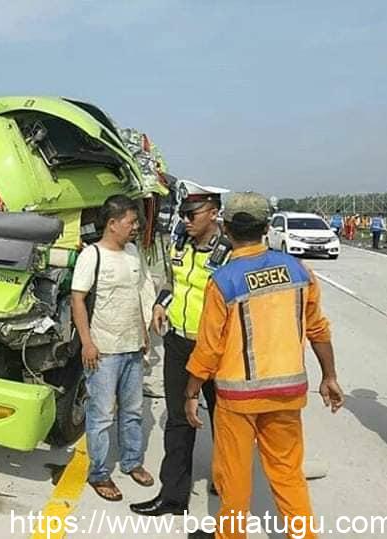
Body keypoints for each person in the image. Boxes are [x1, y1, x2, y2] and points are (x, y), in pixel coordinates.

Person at [182, 192, 344, 539]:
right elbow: (317, 328)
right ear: (267, 228)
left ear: (225, 229)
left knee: (234, 476)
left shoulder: (224, 280)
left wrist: (192, 391)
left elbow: (209, 347)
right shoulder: (299, 270)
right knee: (288, 474)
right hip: (287, 395)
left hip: (238, 400)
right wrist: (329, 376)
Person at [130, 180, 230, 517]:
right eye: (183, 213)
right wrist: (161, 304)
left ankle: (228, 483)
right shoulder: (181, 242)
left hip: (217, 349)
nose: (186, 219)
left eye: (193, 213)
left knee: (224, 419)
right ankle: (173, 496)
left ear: (214, 212)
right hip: (178, 343)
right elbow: (172, 282)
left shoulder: (229, 250)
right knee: (177, 420)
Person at [71, 194, 155, 501]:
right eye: (131, 221)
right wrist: (87, 343)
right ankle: (99, 473)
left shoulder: (134, 252)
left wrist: (144, 331)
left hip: (133, 347)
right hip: (103, 351)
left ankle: (132, 462)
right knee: (102, 415)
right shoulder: (92, 255)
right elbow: (77, 299)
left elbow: (140, 292)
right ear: (112, 224)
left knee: (133, 411)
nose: (135, 227)